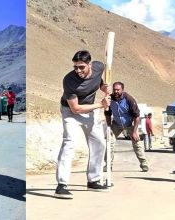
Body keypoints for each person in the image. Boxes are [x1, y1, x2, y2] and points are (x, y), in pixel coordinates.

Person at [54, 50, 111, 199]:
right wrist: (100, 104)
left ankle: (93, 180)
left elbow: (99, 79)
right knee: (69, 142)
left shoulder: (98, 66)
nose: (78, 70)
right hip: (70, 112)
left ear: (90, 64)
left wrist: (104, 87)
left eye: (81, 67)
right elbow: (75, 108)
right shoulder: (69, 80)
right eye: (75, 67)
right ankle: (61, 185)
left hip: (90, 111)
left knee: (99, 143)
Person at [105, 82, 149, 172]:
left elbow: (137, 116)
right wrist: (109, 127)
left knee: (137, 143)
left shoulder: (129, 99)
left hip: (129, 124)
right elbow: (108, 114)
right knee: (109, 143)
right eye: (114, 89)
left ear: (122, 90)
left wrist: (134, 132)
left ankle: (144, 164)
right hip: (116, 124)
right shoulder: (110, 99)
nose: (116, 91)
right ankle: (108, 165)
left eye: (118, 89)